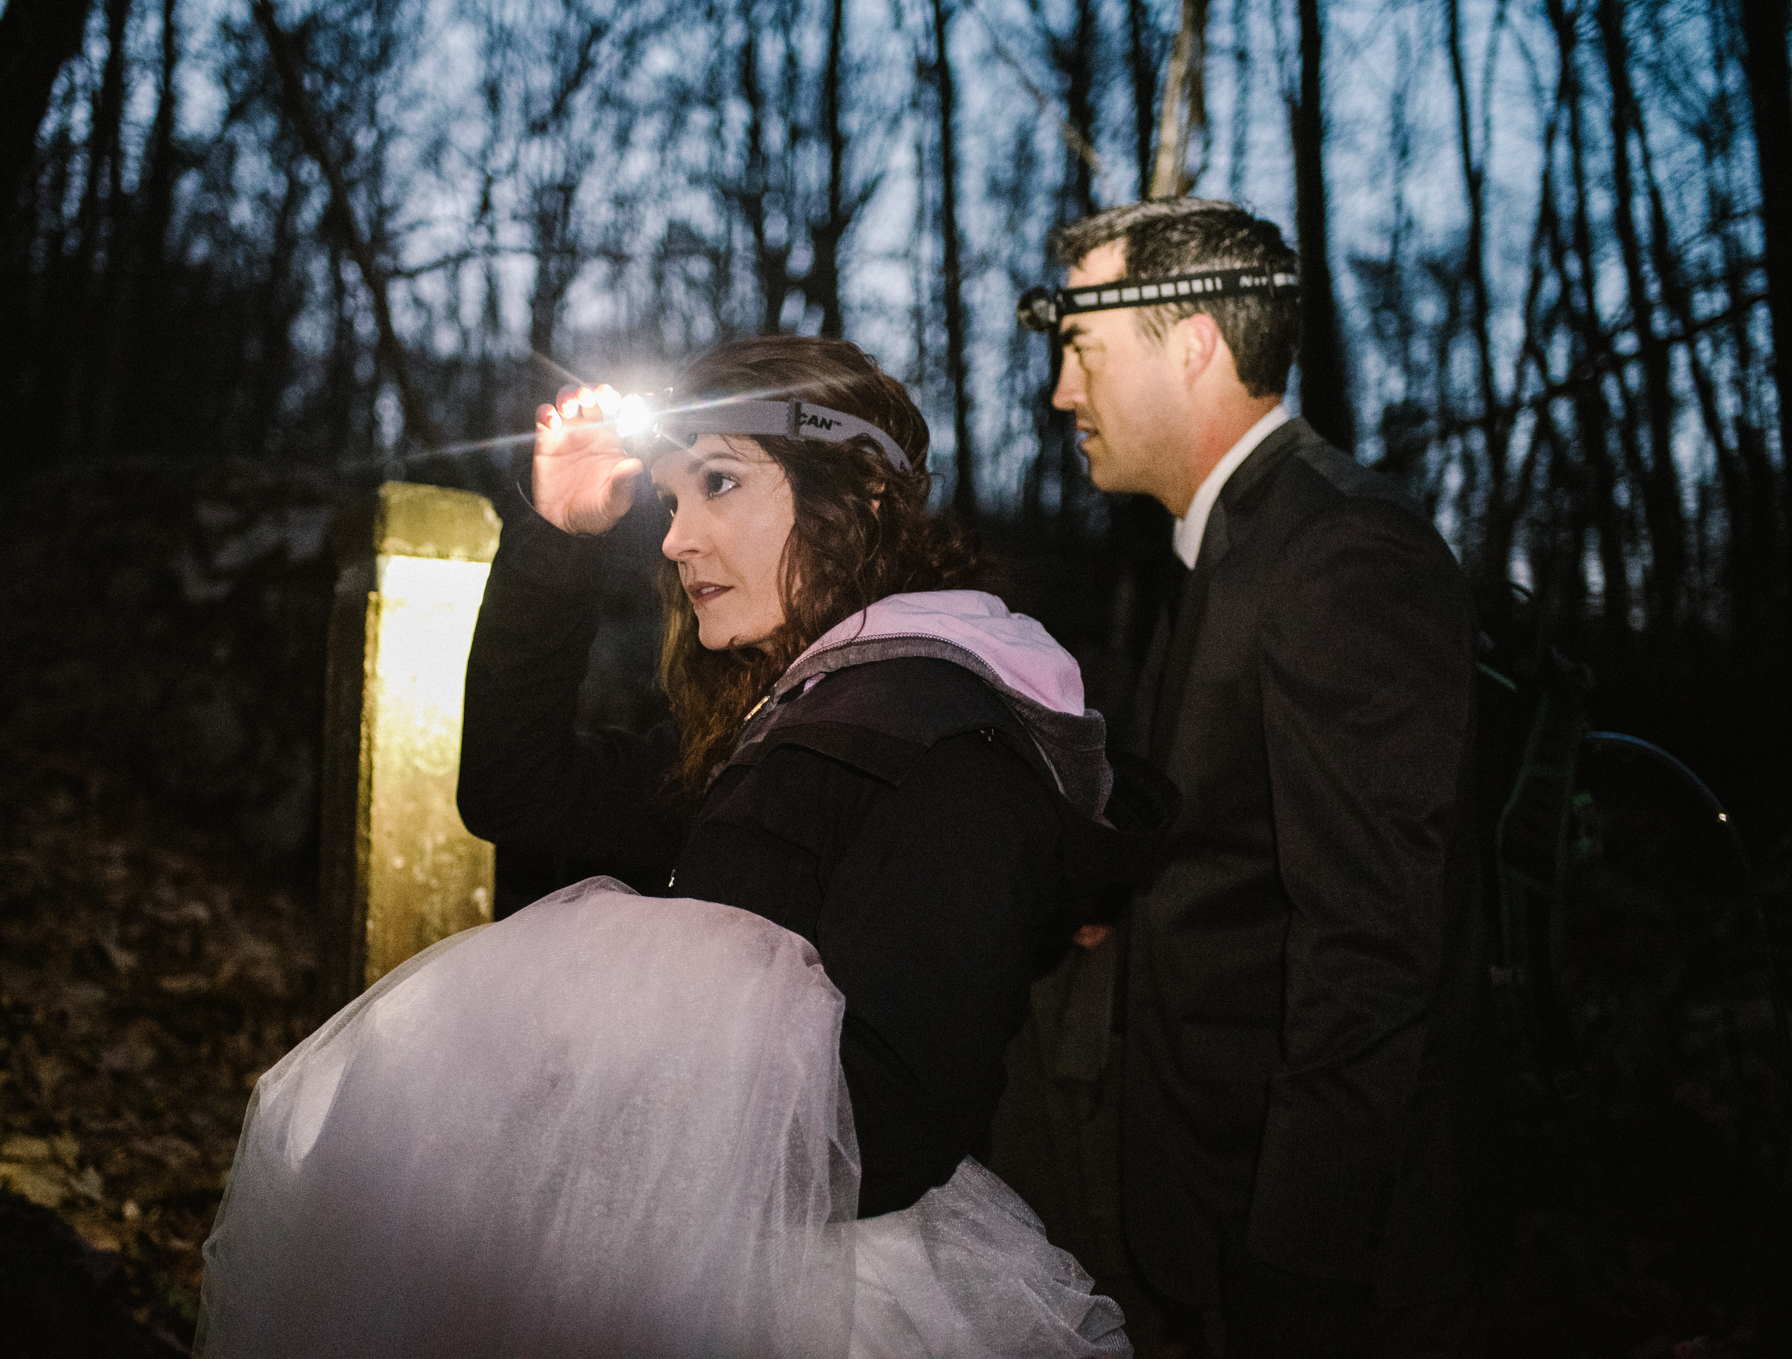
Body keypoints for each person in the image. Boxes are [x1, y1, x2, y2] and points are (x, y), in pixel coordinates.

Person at [195, 335, 1176, 1358]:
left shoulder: (937, 741)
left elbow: (893, 1121)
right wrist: (562, 538)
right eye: (669, 498)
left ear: (857, 500)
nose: (673, 537)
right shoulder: (784, 725)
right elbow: (515, 787)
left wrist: (577, 1132)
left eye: (717, 483)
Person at [993, 199, 1488, 1358]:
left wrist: (1299, 1254)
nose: (1062, 392)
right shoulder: (1229, 542)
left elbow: (1371, 943)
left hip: (1303, 1239)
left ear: (1195, 343)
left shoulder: (1338, 550)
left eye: (1081, 348)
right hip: (1203, 1187)